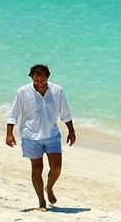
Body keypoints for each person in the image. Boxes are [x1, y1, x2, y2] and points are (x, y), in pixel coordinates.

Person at [5, 64, 76, 211]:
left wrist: (71, 130)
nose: (39, 83)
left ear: (47, 78)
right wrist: (9, 133)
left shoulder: (57, 91)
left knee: (56, 168)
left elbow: (65, 113)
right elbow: (13, 113)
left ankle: (49, 188)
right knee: (37, 168)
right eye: (36, 81)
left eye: (42, 80)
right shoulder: (23, 92)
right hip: (31, 135)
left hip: (52, 135)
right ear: (32, 78)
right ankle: (41, 202)